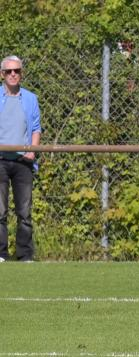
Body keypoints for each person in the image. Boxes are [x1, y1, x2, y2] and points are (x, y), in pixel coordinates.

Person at [0, 55, 41, 263]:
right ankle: (1, 254)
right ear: (2, 75)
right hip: (0, 161)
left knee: (24, 211)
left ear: (21, 74)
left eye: (16, 71)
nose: (13, 74)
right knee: (0, 210)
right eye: (9, 71)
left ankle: (25, 255)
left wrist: (32, 151)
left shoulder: (31, 98)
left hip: (23, 161)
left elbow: (35, 128)